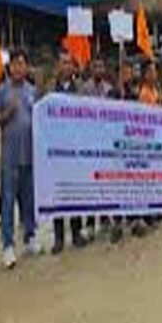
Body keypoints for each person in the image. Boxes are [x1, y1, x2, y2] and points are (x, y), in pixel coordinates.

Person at [0, 49, 42, 268]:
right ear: (9, 67)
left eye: (22, 63)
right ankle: (8, 245)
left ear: (26, 66)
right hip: (10, 157)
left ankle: (30, 236)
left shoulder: (33, 91)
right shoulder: (2, 91)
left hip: (29, 156)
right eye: (15, 64)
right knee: (8, 201)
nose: (18, 68)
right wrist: (6, 114)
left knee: (29, 199)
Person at [48, 50, 87, 255]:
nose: (66, 66)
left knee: (75, 192)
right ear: (58, 66)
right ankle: (58, 238)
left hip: (75, 149)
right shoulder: (49, 90)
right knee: (58, 193)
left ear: (73, 67)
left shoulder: (79, 90)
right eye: (63, 62)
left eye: (69, 63)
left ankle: (76, 232)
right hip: (55, 150)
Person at [81, 56, 114, 241]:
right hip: (90, 142)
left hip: (106, 143)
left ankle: (104, 218)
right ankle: (90, 223)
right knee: (91, 184)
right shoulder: (85, 89)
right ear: (91, 68)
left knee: (105, 182)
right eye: (96, 66)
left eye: (101, 66)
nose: (99, 69)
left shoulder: (109, 89)